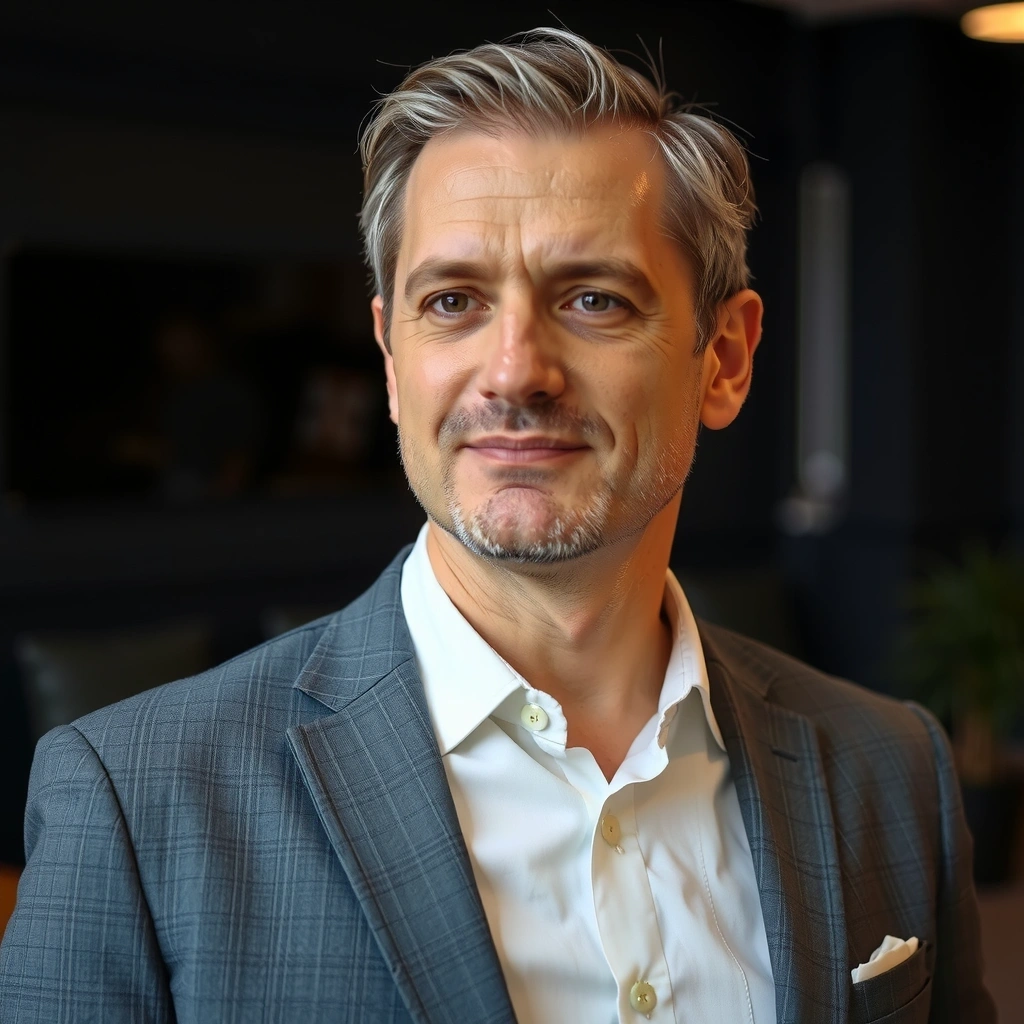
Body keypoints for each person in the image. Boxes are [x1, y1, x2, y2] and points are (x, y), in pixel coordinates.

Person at [0, 28, 995, 1024]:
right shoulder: (136, 801)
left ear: (723, 358)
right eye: (453, 300)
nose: (515, 370)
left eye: (594, 299)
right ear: (392, 359)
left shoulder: (888, 765)